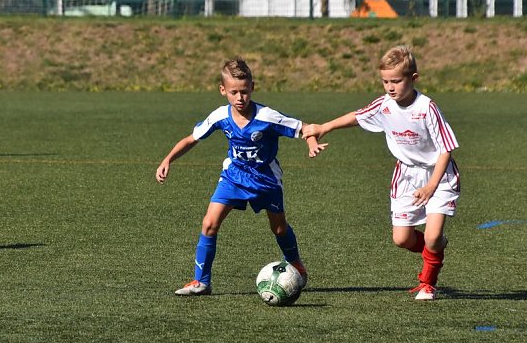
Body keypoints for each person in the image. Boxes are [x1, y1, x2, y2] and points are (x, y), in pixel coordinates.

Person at [302, 45, 460, 300]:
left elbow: (446, 150)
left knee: (431, 235)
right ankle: (435, 247)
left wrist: (432, 185)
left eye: (396, 81)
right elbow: (357, 116)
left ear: (413, 79)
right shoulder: (385, 105)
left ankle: (427, 283)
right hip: (406, 176)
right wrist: (326, 126)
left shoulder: (427, 107)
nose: (390, 87)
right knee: (401, 238)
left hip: (438, 176)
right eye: (385, 81)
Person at [156, 57, 325, 296]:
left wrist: (311, 142)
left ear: (252, 88)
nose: (240, 98)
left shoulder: (267, 116)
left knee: (278, 228)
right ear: (223, 90)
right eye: (234, 92)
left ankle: (295, 263)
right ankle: (201, 282)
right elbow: (191, 139)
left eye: (244, 92)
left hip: (265, 179)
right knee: (209, 224)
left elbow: (305, 128)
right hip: (233, 176)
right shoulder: (220, 116)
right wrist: (168, 160)